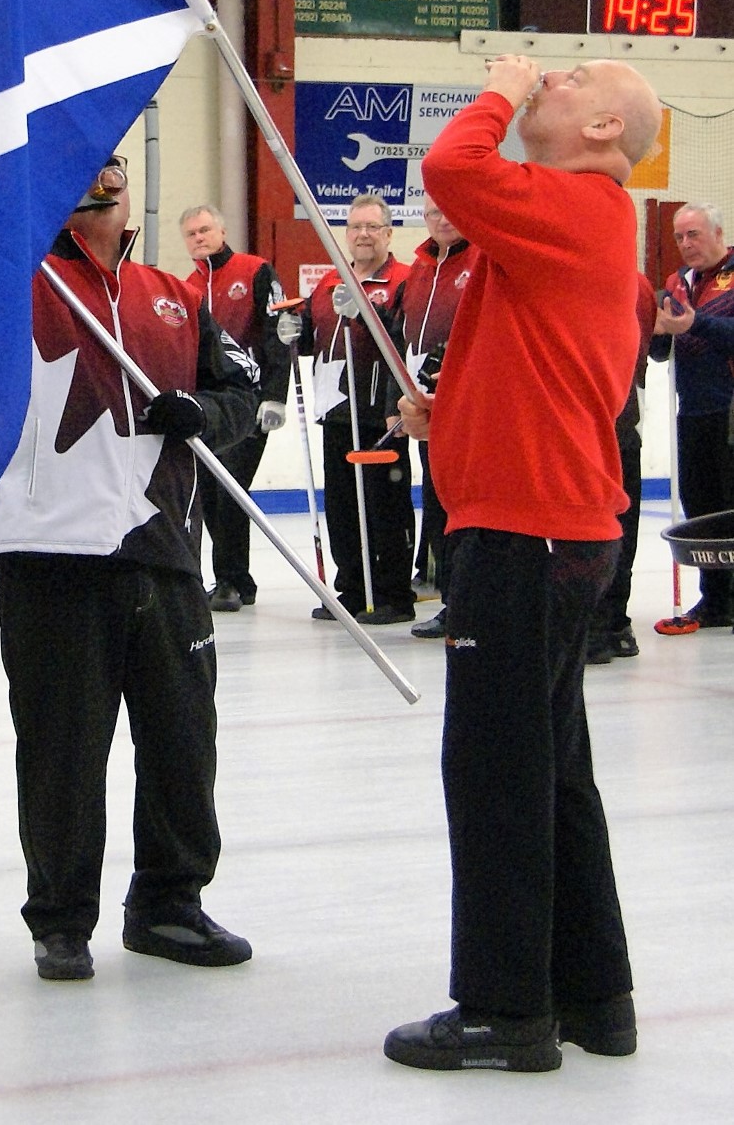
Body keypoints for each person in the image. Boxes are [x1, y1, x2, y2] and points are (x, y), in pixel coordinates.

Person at [384, 55, 662, 1073]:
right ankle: (594, 995)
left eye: (577, 75)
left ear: (601, 131)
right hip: (552, 526)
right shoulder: (568, 228)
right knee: (552, 771)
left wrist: (493, 91)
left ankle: (506, 1008)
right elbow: (540, 367)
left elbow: (452, 170)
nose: (555, 75)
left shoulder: (580, 203)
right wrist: (447, 411)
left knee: (495, 771)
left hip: (524, 534)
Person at [0, 156, 258, 982]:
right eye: (81, 162)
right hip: (51, 557)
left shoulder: (171, 295)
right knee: (62, 750)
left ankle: (170, 904)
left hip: (166, 548)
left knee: (183, 740)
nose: (100, 178)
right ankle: (61, 918)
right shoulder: (16, 280)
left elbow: (243, 393)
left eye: (113, 164)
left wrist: (204, 413)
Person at [278, 192, 415, 625]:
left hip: (379, 414)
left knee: (383, 505)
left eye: (372, 227)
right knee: (341, 505)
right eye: (356, 227)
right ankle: (352, 589)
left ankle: (393, 592)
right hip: (336, 411)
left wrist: (363, 316)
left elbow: (404, 341)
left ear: (389, 233)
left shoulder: (403, 281)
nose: (362, 235)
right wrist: (292, 332)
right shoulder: (329, 283)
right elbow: (315, 338)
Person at [180, 202, 290, 611]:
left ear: (222, 232)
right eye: (191, 234)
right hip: (210, 407)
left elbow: (279, 333)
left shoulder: (255, 271)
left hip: (251, 402)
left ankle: (228, 579)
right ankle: (237, 581)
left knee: (230, 489)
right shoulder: (186, 286)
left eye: (205, 230)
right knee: (210, 493)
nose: (199, 238)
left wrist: (275, 395)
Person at [397, 195, 480, 641]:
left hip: (469, 408)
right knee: (437, 503)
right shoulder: (422, 269)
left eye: (451, 210)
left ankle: (466, 602)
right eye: (433, 213)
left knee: (461, 505)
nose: (443, 219)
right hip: (427, 409)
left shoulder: (483, 259)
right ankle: (449, 595)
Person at [651, 202, 734, 633]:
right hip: (694, 409)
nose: (685, 244)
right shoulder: (675, 283)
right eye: (680, 237)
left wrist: (695, 325)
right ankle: (717, 599)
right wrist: (658, 334)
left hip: (731, 410)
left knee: (729, 507)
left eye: (694, 235)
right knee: (700, 508)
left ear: (718, 233)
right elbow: (663, 352)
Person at [586, 271, 655, 663]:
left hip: (609, 425)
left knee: (612, 527)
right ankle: (606, 623)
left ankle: (607, 623)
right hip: (599, 424)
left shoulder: (631, 283)